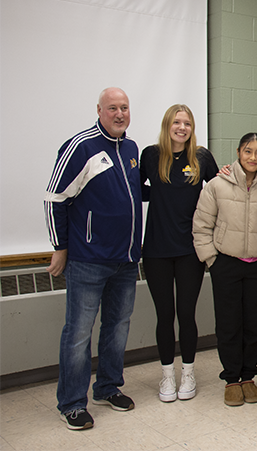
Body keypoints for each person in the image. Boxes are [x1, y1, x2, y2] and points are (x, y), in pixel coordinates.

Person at [45, 87, 141, 430]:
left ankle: (107, 387)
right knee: (79, 333)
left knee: (117, 328)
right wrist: (60, 246)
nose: (119, 114)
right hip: (88, 260)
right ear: (99, 110)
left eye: (125, 108)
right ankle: (71, 402)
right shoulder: (80, 146)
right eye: (112, 108)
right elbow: (55, 198)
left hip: (126, 260)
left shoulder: (131, 148)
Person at [192, 132, 257, 407]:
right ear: (239, 153)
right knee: (229, 324)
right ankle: (231, 379)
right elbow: (202, 226)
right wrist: (212, 261)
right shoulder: (218, 185)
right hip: (226, 264)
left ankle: (249, 377)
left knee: (255, 324)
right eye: (248, 151)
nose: (253, 158)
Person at [140, 104, 218, 403]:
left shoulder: (201, 157)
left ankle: (187, 372)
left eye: (187, 123)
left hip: (189, 251)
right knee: (164, 316)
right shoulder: (150, 155)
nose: (182, 127)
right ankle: (167, 375)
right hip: (157, 250)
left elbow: (218, 189)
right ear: (167, 125)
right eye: (176, 122)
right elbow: (135, 189)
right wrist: (161, 193)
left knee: (186, 314)